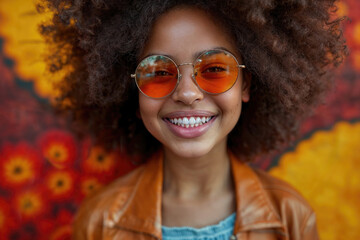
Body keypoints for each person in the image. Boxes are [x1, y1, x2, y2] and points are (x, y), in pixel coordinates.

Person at [39, 0, 347, 239]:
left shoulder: (290, 218)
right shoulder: (101, 222)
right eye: (158, 72)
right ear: (130, 92)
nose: (187, 93)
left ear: (247, 84)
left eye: (214, 68)